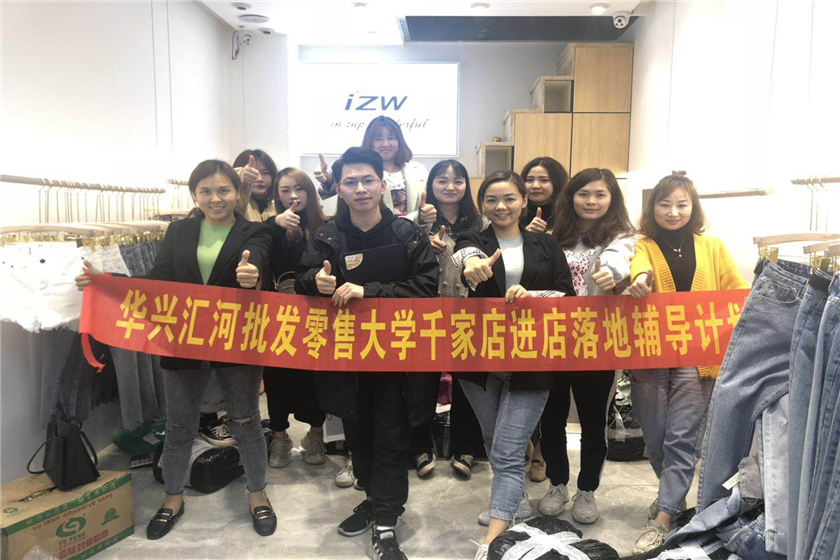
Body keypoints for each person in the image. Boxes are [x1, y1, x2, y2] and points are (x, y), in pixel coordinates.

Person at [75, 160, 275, 538]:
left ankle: (257, 493)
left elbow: (259, 262)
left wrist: (253, 276)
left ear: (237, 193)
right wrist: (107, 282)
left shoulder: (256, 231)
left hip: (236, 340)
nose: (215, 199)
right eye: (205, 191)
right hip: (183, 340)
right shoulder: (179, 230)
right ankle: (172, 497)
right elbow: (157, 283)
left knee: (245, 420)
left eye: (223, 190)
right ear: (194, 195)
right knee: (180, 425)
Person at [296, 147, 439, 560]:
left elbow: (426, 287)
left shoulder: (407, 234)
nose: (360, 189)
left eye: (367, 180)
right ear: (339, 189)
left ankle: (387, 521)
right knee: (357, 438)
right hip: (345, 358)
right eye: (350, 182)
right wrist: (315, 282)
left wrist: (369, 291)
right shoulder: (326, 236)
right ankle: (374, 500)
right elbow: (302, 278)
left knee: (391, 438)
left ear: (382, 184)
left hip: (397, 361)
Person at [450, 171, 575, 560]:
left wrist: (534, 295)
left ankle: (495, 537)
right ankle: (515, 502)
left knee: (506, 450)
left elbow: (567, 295)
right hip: (480, 357)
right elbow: (463, 257)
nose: (500, 206)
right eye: (491, 200)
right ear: (482, 205)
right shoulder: (473, 240)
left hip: (532, 357)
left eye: (509, 198)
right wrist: (472, 265)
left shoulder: (546, 243)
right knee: (494, 439)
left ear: (524, 201)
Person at [627, 171, 749, 554]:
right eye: (665, 204)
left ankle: (663, 518)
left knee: (681, 439)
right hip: (651, 353)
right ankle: (674, 497)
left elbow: (736, 289)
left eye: (682, 204)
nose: (673, 211)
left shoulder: (712, 246)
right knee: (654, 439)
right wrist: (641, 280)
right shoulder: (643, 244)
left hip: (698, 357)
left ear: (693, 207)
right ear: (653, 208)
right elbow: (639, 268)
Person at [536, 168, 636, 524]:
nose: (591, 201)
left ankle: (587, 489)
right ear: (571, 197)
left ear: (612, 199)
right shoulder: (552, 235)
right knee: (552, 419)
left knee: (593, 422)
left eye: (600, 194)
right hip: (551, 340)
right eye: (584, 194)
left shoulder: (621, 235)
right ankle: (557, 484)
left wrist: (612, 273)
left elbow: (618, 257)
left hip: (595, 341)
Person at [407, 160, 486, 480]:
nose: (450, 187)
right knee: (421, 384)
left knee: (468, 384)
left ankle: (465, 447)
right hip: (425, 314)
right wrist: (422, 237)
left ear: (467, 185)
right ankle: (420, 446)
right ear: (431, 185)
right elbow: (402, 259)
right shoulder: (417, 222)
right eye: (442, 180)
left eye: (458, 180)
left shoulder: (480, 222)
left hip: (469, 314)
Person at [263, 167, 329, 469]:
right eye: (285, 190)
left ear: (310, 192)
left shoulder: (325, 227)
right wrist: (274, 226)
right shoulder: (268, 229)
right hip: (277, 319)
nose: (293, 196)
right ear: (276, 195)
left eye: (299, 189)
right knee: (276, 379)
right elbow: (255, 252)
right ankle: (280, 437)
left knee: (315, 379)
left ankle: (315, 434)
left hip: (317, 318)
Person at [314, 116, 427, 217]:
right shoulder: (359, 170)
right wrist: (328, 178)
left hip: (414, 229)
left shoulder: (418, 170)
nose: (385, 144)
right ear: (370, 142)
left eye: (391, 138)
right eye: (378, 139)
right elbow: (342, 186)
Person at [521, 156, 568, 235]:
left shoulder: (567, 214)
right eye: (529, 180)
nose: (535, 186)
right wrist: (525, 236)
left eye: (544, 180)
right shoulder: (515, 213)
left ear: (557, 183)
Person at [234, 149, 279, 222]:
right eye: (252, 173)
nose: (260, 179)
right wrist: (239, 179)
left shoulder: (277, 203)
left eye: (265, 173)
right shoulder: (236, 203)